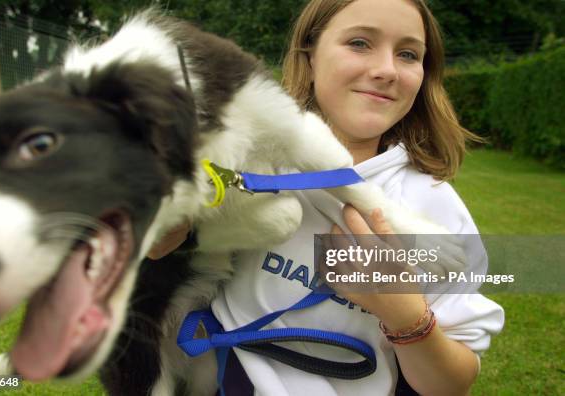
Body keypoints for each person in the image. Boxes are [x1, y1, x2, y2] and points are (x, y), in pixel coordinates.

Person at [150, 0, 504, 394]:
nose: (386, 69)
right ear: (310, 55)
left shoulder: (434, 207)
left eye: (408, 54)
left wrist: (403, 314)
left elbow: (451, 384)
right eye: (359, 43)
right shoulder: (243, 158)